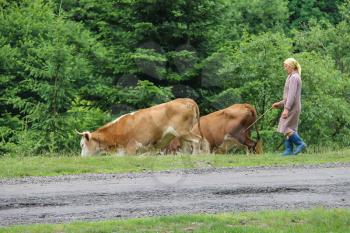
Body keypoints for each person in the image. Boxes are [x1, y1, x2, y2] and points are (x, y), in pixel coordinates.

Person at [272, 58, 306, 155]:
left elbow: (292, 95)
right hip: (291, 105)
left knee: (285, 127)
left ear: (291, 66)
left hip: (292, 107)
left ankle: (300, 143)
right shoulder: (290, 77)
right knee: (290, 127)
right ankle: (289, 150)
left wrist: (286, 109)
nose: (285, 68)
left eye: (286, 66)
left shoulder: (295, 77)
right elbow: (288, 96)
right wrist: (280, 103)